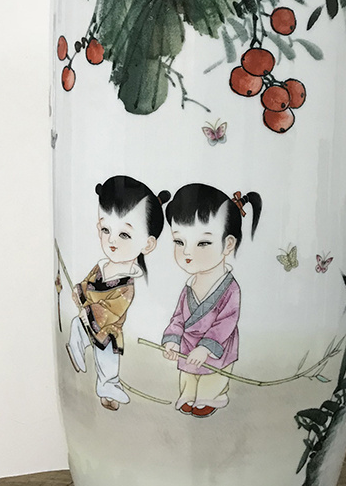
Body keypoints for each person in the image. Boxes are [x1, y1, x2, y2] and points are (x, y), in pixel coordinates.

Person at [66, 175, 170, 411]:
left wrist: (89, 309)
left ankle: (108, 388)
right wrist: (79, 291)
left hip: (109, 329)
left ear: (148, 244)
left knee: (108, 362)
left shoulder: (126, 285)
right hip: (87, 318)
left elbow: (112, 310)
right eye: (106, 229)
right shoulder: (101, 267)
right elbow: (87, 284)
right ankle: (76, 346)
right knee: (78, 328)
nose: (111, 240)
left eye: (124, 235)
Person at [161, 184, 261, 418]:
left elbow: (226, 322)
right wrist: (173, 340)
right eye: (179, 242)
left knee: (212, 376)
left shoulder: (230, 289)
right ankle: (188, 396)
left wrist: (206, 347)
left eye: (203, 243)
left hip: (216, 346)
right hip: (188, 344)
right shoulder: (189, 286)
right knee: (188, 375)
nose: (188, 253)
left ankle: (210, 397)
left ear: (228, 244)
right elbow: (178, 317)